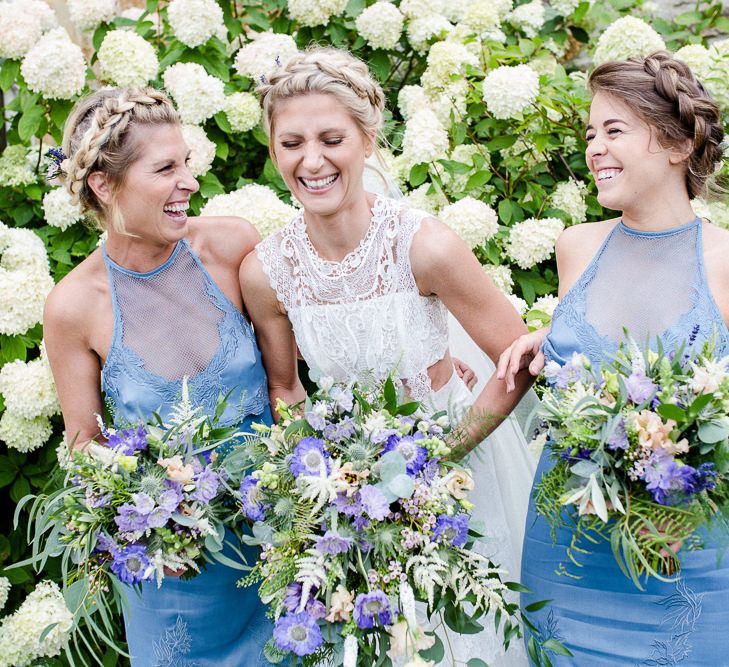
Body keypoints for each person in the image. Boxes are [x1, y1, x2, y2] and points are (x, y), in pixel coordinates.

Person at [240, 46, 535, 666]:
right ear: (272, 150)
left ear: (368, 140)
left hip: (453, 479)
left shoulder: (423, 246)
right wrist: (327, 476)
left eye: (331, 138)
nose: (311, 161)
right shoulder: (267, 272)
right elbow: (287, 390)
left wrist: (434, 458)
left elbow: (518, 359)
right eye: (290, 143)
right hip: (350, 494)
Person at [497, 52, 729, 664]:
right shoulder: (575, 247)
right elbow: (587, 350)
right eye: (591, 134)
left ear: (679, 143)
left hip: (687, 556)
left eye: (614, 131)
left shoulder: (726, 261)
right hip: (566, 556)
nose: (595, 148)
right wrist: (544, 342)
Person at [43, 88, 273, 666]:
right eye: (166, 168)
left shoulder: (230, 245)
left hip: (280, 550)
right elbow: (83, 444)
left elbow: (293, 373)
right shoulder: (74, 306)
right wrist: (149, 533)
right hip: (176, 576)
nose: (189, 183)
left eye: (187, 164)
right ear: (103, 185)